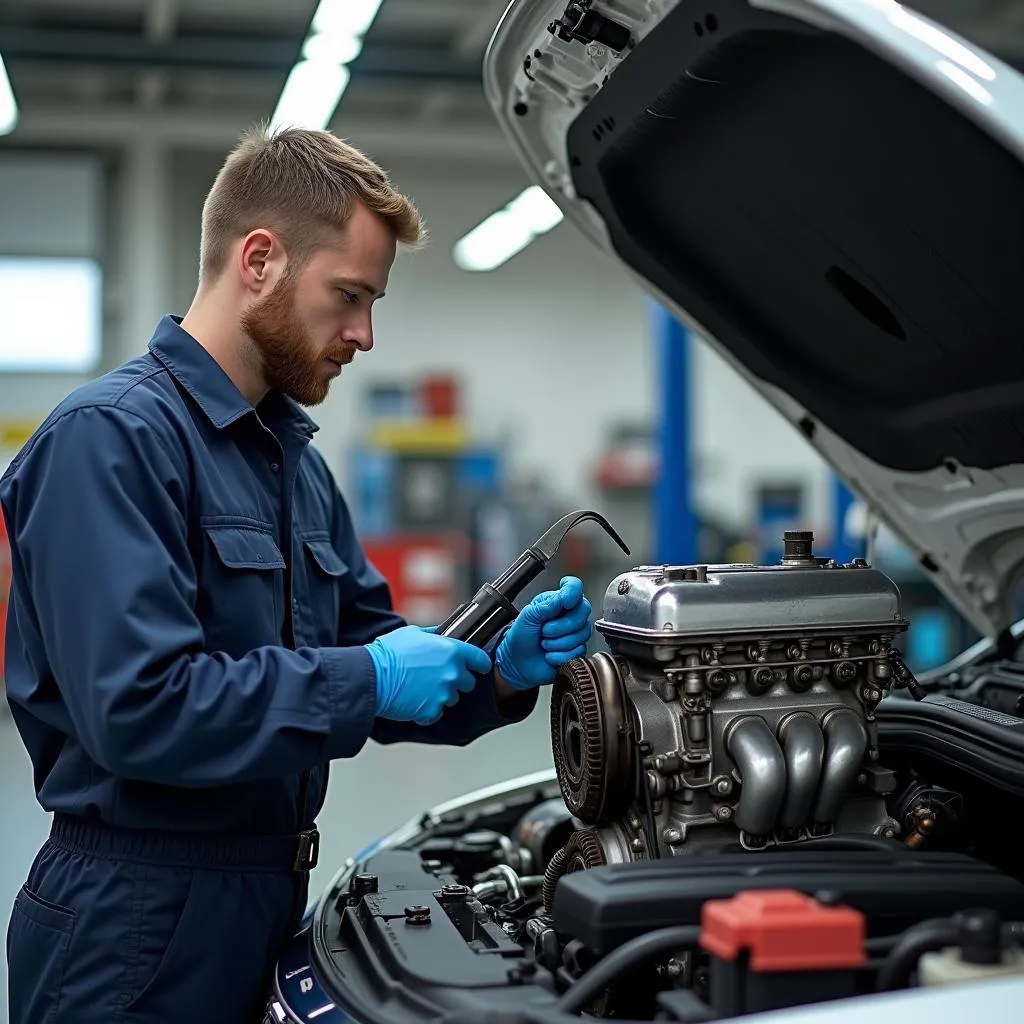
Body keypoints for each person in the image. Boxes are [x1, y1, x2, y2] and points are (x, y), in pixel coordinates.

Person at [1, 124, 594, 1024]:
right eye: (348, 296)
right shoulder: (110, 441)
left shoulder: (294, 462)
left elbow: (365, 650)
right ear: (260, 259)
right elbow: (141, 708)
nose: (362, 333)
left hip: (264, 896)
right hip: (132, 919)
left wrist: (497, 673)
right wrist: (375, 676)